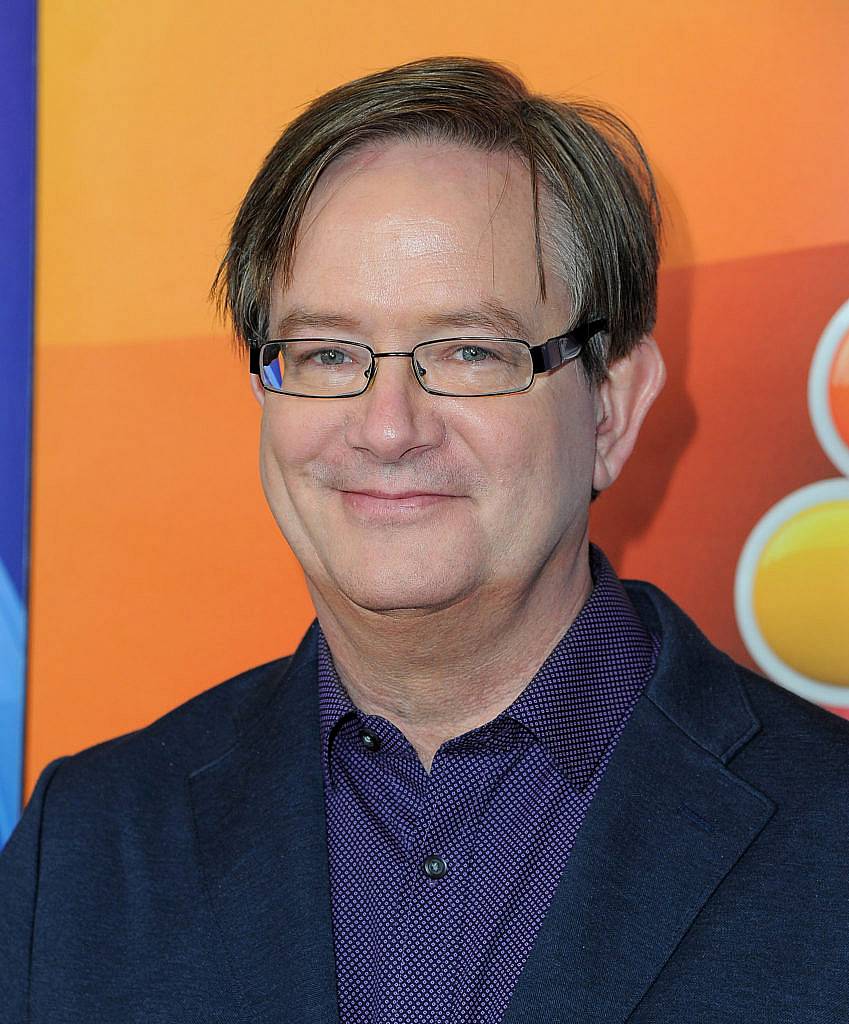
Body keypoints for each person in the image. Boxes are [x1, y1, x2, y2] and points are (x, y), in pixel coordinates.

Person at [1, 57, 847, 1024]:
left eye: (468, 352)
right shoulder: (86, 846)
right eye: (325, 354)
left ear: (610, 406)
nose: (388, 426)